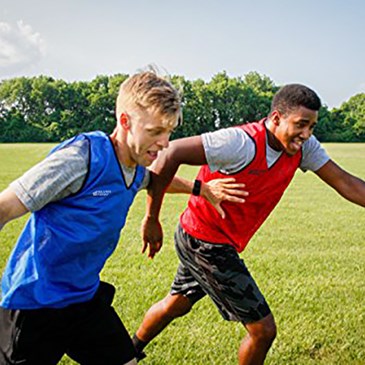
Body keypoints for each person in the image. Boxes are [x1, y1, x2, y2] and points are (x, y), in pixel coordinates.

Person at [0, 69, 246, 365]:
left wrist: (201, 188)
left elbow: (155, 179)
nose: (165, 143)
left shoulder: (134, 167)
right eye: (155, 131)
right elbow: (5, 207)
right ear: (125, 122)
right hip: (34, 304)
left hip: (83, 299)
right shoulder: (83, 158)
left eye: (169, 132)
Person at [133, 84, 365, 364]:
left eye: (312, 126)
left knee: (176, 303)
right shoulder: (239, 143)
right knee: (262, 331)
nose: (306, 134)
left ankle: (127, 352)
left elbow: (346, 182)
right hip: (205, 241)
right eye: (301, 125)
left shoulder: (303, 148)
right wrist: (152, 217)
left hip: (206, 236)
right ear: (277, 118)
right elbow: (171, 154)